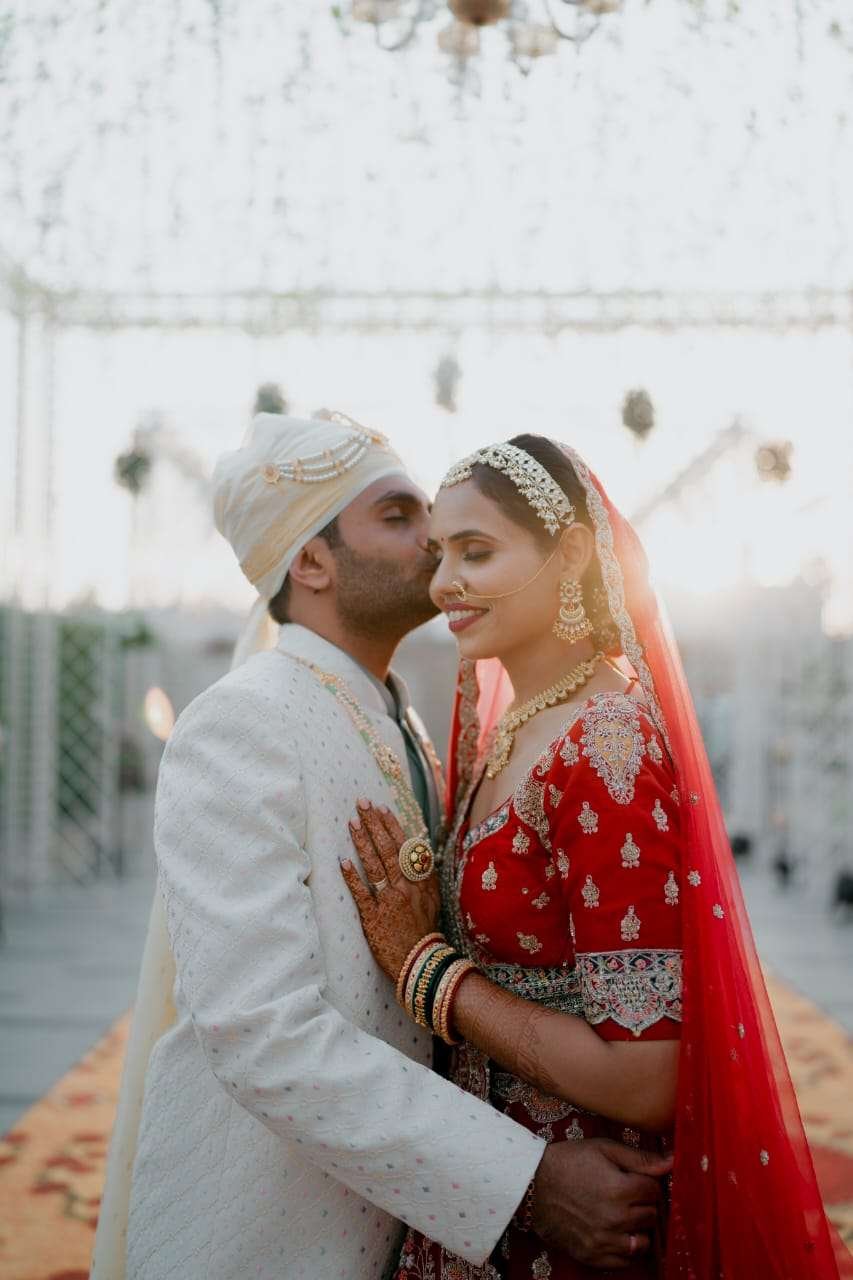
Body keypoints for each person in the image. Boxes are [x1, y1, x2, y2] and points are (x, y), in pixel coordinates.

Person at [91, 413, 669, 1280]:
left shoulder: (404, 720)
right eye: (399, 517)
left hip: (416, 1225)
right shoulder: (242, 723)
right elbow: (262, 1032)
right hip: (276, 1238)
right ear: (311, 563)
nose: (432, 542)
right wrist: (524, 1181)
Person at [342, 434, 840, 1279]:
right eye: (439, 555)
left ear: (570, 555)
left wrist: (426, 972)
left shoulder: (605, 746)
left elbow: (646, 1076)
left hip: (584, 1218)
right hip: (503, 1189)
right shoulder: (517, 726)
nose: (443, 583)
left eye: (475, 552)